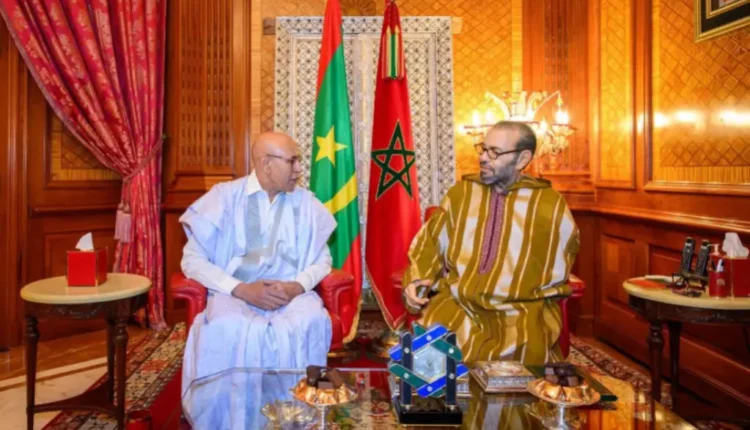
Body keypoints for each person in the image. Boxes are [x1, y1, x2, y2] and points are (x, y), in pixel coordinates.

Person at [403, 121, 580, 366]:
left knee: (520, 367)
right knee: (427, 361)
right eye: (483, 149)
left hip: (521, 311)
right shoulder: (460, 195)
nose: (483, 158)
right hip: (458, 304)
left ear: (522, 159)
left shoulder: (549, 204)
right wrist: (417, 279)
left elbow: (562, 258)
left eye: (494, 152)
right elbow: (429, 242)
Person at [179, 132, 335, 399]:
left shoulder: (307, 203)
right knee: (227, 326)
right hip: (233, 295)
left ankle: (299, 411)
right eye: (292, 161)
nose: (299, 169)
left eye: (299, 160)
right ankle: (237, 415)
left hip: (291, 296)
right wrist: (241, 289)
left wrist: (297, 286)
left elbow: (324, 260)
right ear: (266, 163)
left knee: (311, 320)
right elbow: (192, 260)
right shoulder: (224, 198)